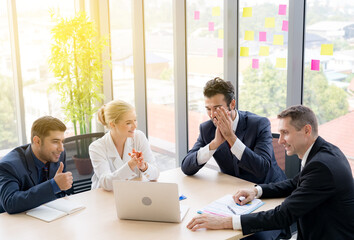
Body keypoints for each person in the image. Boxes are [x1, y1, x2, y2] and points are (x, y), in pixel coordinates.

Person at [187, 105, 354, 240]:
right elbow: (296, 183)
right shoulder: (325, 152)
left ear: (307, 130)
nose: (280, 141)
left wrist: (224, 222)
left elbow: (283, 215)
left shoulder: (321, 167)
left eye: (285, 133)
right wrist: (257, 191)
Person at [182, 77, 286, 184]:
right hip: (233, 190)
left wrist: (231, 138)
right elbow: (186, 167)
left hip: (269, 189)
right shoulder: (207, 129)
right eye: (208, 109)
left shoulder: (259, 124)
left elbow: (262, 169)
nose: (212, 115)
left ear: (232, 104)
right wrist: (214, 144)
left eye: (217, 108)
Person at [0, 116, 73, 214]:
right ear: (37, 141)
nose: (61, 148)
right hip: (17, 223)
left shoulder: (58, 155)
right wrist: (53, 185)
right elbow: (10, 202)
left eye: (62, 142)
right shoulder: (9, 165)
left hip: (50, 216)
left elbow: (64, 191)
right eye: (55, 141)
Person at [89, 100, 159, 191]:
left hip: (132, 194)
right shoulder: (97, 147)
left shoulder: (139, 137)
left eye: (135, 120)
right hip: (106, 198)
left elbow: (155, 174)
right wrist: (130, 166)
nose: (134, 126)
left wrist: (144, 167)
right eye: (128, 123)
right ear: (112, 124)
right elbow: (105, 183)